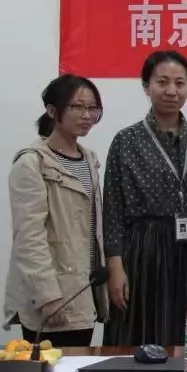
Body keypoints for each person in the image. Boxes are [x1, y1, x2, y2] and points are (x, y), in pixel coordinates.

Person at [102, 51, 187, 346]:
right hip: (143, 250)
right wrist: (115, 267)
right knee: (138, 331)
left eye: (180, 83)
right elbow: (112, 209)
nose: (171, 91)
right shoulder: (126, 140)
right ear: (146, 86)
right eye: (162, 82)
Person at [2, 74, 108, 346]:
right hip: (52, 296)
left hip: (82, 291)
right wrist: (48, 296)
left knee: (78, 361)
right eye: (77, 107)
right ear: (52, 110)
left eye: (92, 108)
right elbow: (29, 238)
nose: (86, 115)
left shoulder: (89, 159)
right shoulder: (31, 163)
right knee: (47, 362)